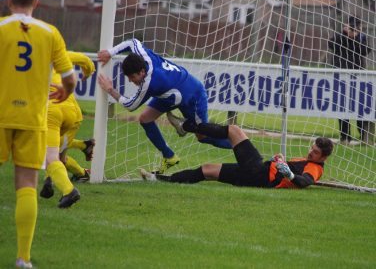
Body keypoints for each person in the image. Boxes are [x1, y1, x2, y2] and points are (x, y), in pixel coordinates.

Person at [0, 0, 76, 268]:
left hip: (1, 113)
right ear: (36, 2)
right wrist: (65, 91)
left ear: (8, 1)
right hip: (33, 117)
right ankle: (23, 258)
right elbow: (69, 79)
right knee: (27, 184)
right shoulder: (50, 32)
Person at [97, 38, 231, 173]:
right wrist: (110, 52)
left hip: (192, 96)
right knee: (145, 119)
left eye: (132, 77)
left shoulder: (149, 83)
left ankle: (239, 144)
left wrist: (110, 90)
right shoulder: (144, 56)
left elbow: (130, 105)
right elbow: (133, 42)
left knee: (203, 136)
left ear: (142, 72)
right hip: (170, 94)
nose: (131, 81)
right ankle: (169, 156)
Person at [141, 118, 334, 189]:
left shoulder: (315, 169)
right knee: (207, 170)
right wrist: (281, 161)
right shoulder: (307, 160)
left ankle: (187, 126)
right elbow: (285, 173)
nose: (310, 153)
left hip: (259, 173)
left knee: (233, 130)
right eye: (311, 148)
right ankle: (159, 180)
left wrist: (289, 174)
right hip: (257, 176)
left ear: (323, 157)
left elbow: (305, 182)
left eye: (315, 152)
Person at [39, 51, 96, 207]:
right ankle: (84, 155)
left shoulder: (23, 60)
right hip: (72, 112)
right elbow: (86, 60)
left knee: (51, 156)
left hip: (51, 111)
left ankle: (68, 186)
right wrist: (88, 73)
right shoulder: (57, 54)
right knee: (57, 154)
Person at [328, 16, 372, 145]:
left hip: (358, 77)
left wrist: (356, 38)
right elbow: (331, 44)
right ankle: (344, 137)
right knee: (343, 108)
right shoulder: (339, 36)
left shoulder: (362, 38)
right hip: (341, 77)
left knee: (360, 109)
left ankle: (364, 136)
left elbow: (365, 51)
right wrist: (345, 35)